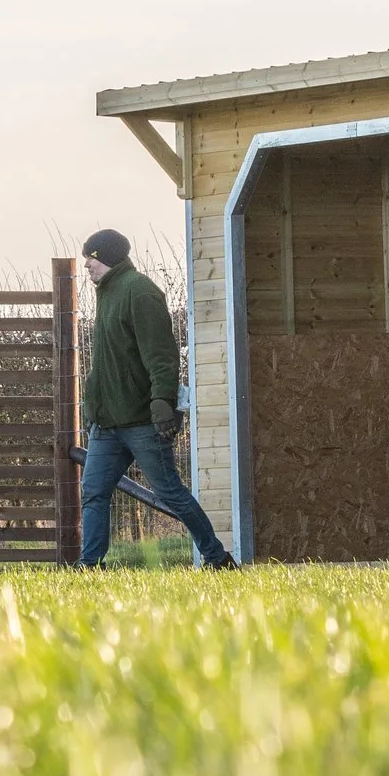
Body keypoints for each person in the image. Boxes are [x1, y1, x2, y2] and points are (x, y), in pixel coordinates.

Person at [77, 229, 237, 569]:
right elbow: (107, 360)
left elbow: (161, 355)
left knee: (170, 493)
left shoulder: (139, 292)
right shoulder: (106, 294)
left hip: (140, 421)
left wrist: (161, 402)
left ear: (104, 257)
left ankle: (217, 558)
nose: (87, 266)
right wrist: (93, 406)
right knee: (93, 490)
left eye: (90, 258)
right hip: (107, 423)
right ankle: (90, 565)